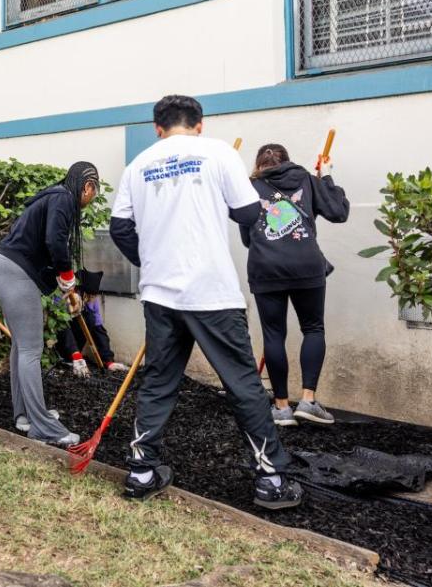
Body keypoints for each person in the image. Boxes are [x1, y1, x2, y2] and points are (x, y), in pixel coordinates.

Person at [110, 95, 302, 510]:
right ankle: (270, 478)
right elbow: (249, 214)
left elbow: (120, 226)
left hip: (160, 294)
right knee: (242, 384)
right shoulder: (218, 152)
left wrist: (152, 261)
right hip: (211, 292)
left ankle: (142, 470)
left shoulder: (138, 164)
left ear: (157, 128)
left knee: (159, 381)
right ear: (199, 124)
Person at [0, 162, 101, 447]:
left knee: (21, 347)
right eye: (94, 192)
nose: (93, 198)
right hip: (14, 273)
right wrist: (67, 280)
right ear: (87, 186)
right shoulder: (63, 197)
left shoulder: (54, 196)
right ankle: (45, 428)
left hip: (4, 269)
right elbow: (55, 241)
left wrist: (64, 283)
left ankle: (25, 416)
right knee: (31, 349)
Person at [239, 143, 349, 427]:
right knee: (313, 328)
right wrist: (326, 176)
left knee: (273, 335)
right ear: (288, 160)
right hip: (306, 267)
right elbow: (339, 211)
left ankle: (282, 407)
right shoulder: (307, 180)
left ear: (258, 164)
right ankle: (308, 401)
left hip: (266, 269)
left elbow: (247, 238)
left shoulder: (248, 188)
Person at [54, 269, 127, 376]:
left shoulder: (92, 302)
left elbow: (98, 329)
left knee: (90, 318)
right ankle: (70, 355)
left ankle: (71, 357)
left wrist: (108, 360)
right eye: (89, 296)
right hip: (58, 338)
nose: (91, 300)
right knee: (64, 322)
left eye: (93, 297)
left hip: (74, 340)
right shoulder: (66, 296)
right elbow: (60, 323)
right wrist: (75, 354)